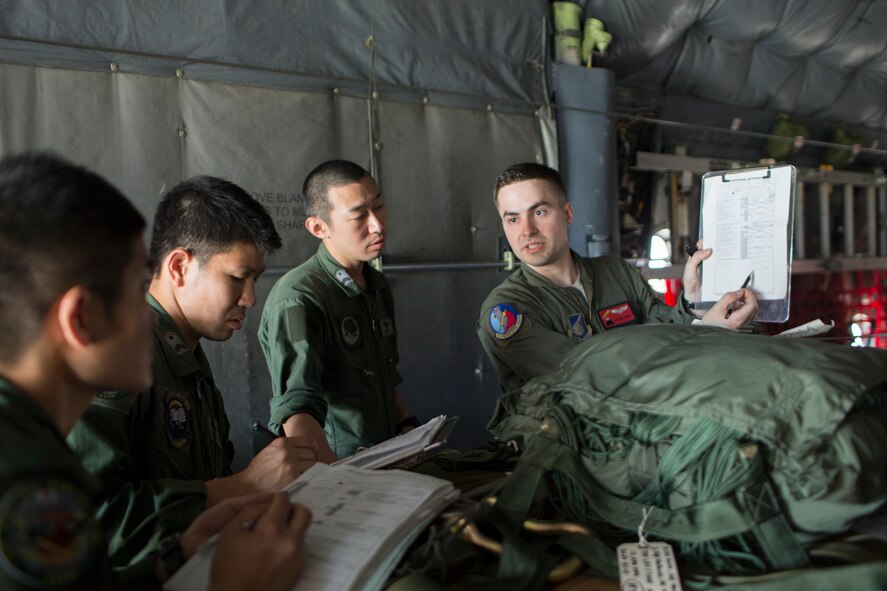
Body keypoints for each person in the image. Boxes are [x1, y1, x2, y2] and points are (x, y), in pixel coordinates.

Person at [0, 152, 311, 590]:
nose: (149, 314)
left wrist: (169, 561)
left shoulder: (29, 437)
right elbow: (104, 521)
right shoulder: (21, 478)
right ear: (81, 318)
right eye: (133, 290)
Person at [67, 176, 319, 572]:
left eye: (255, 280)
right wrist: (242, 487)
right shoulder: (116, 351)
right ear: (180, 266)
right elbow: (87, 519)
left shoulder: (184, 356)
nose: (251, 298)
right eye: (237, 278)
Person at [477, 162, 758, 392]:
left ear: (567, 214)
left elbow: (664, 325)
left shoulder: (616, 272)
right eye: (513, 219)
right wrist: (703, 328)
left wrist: (693, 301)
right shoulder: (507, 310)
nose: (527, 230)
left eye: (539, 212)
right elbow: (586, 375)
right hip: (561, 444)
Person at [259, 160, 416, 463]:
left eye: (379, 206)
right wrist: (335, 478)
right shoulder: (299, 297)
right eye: (359, 216)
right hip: (342, 465)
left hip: (387, 458)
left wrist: (407, 426)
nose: (377, 225)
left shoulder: (376, 285)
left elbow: (382, 375)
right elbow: (296, 409)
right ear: (319, 227)